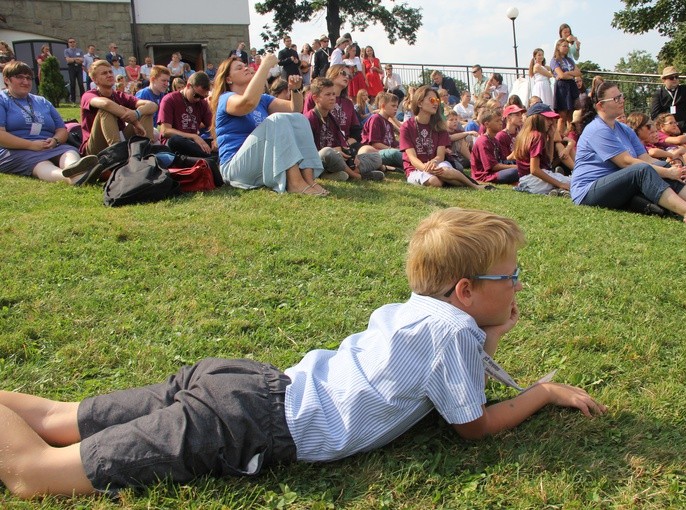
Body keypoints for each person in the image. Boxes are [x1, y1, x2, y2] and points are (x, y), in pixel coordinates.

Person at [0, 206, 607, 499]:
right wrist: (543, 392)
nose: (520, 284)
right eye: (512, 275)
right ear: (467, 291)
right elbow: (474, 426)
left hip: (245, 387)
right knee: (35, 475)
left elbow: (454, 357)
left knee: (56, 417)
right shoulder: (452, 333)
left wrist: (489, 333)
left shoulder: (428, 314)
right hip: (248, 424)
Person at [570, 81, 686, 227]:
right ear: (600, 106)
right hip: (588, 191)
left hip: (616, 185)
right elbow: (626, 163)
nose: (621, 101)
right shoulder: (597, 129)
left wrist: (670, 168)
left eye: (621, 96)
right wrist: (668, 172)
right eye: (616, 99)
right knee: (644, 170)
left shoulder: (624, 129)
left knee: (662, 165)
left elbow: (645, 158)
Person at [209, 55, 328, 195]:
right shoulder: (226, 98)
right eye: (239, 68)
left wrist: (295, 90)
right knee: (277, 119)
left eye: (245, 66)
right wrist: (265, 66)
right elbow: (247, 103)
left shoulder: (262, 100)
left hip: (261, 163)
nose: (246, 68)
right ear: (228, 79)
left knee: (299, 119)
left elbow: (294, 109)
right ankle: (294, 183)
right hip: (235, 169)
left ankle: (308, 180)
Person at [0, 61, 101, 185]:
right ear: (6, 79)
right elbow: (1, 136)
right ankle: (74, 178)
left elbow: (61, 129)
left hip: (48, 145)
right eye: (19, 77)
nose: (25, 82)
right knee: (40, 163)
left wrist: (55, 141)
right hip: (15, 149)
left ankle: (75, 167)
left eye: (28, 78)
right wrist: (31, 145)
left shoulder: (42, 101)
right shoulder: (2, 100)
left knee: (68, 151)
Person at [400, 86, 489, 190]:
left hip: (437, 163)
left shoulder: (439, 126)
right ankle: (458, 181)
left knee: (445, 170)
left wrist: (432, 164)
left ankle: (474, 186)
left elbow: (440, 156)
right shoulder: (407, 127)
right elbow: (412, 159)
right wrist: (426, 168)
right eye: (432, 100)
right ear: (419, 103)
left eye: (437, 100)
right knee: (435, 181)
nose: (436, 103)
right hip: (415, 169)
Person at [305, 78, 384, 182]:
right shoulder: (309, 118)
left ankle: (337, 174)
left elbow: (339, 144)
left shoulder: (332, 118)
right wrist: (335, 152)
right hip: (318, 160)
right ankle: (356, 176)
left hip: (337, 161)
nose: (333, 98)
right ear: (316, 98)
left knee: (376, 157)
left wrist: (350, 155)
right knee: (327, 152)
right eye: (328, 95)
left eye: (333, 94)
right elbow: (307, 151)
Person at [79, 60, 157, 156]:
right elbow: (106, 104)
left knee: (146, 112)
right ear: (95, 79)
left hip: (121, 137)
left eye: (110, 72)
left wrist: (136, 114)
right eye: (104, 73)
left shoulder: (119, 95)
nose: (109, 75)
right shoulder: (89, 95)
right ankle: (117, 155)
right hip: (95, 147)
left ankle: (145, 151)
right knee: (106, 110)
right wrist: (135, 121)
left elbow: (152, 105)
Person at [514, 103, 571, 196]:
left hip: (526, 181)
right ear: (537, 118)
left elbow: (549, 162)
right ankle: (558, 188)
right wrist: (560, 184)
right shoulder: (537, 136)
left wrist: (551, 137)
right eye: (547, 119)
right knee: (575, 182)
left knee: (567, 181)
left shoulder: (525, 134)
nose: (551, 122)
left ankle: (557, 191)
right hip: (534, 181)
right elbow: (534, 170)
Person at [158, 71, 214, 159]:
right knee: (175, 140)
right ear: (188, 86)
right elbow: (165, 131)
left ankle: (209, 158)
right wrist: (193, 136)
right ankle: (210, 158)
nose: (198, 99)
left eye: (202, 97)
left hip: (193, 144)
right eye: (196, 95)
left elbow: (212, 125)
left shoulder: (202, 103)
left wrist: (216, 139)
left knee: (216, 142)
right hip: (175, 144)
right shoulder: (169, 99)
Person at [470, 109, 519, 185]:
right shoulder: (483, 142)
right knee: (515, 171)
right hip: (486, 175)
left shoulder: (494, 140)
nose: (500, 123)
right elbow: (493, 167)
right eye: (497, 121)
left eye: (500, 120)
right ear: (487, 124)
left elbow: (503, 160)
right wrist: (516, 167)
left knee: (523, 165)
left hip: (496, 171)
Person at [361, 91, 403, 169]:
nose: (396, 109)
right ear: (383, 106)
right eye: (393, 106)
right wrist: (394, 149)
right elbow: (375, 144)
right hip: (375, 153)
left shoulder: (389, 123)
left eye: (397, 106)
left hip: (388, 152)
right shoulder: (375, 119)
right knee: (395, 153)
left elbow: (392, 142)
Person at [550, 39, 581, 138]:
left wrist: (568, 73)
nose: (566, 48)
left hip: (571, 86)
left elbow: (578, 73)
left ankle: (571, 136)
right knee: (562, 115)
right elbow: (561, 75)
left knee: (571, 115)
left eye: (567, 46)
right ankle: (560, 138)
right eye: (564, 46)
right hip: (562, 88)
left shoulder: (570, 60)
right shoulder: (554, 60)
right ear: (558, 47)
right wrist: (570, 75)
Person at [64, 37, 85, 102]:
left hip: (79, 68)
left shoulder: (79, 50)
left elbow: (82, 60)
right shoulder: (66, 51)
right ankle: (73, 100)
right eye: (70, 42)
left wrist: (72, 59)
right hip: (71, 68)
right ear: (68, 43)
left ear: (75, 43)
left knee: (81, 83)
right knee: (72, 84)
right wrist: (76, 59)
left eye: (73, 42)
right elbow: (68, 60)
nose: (72, 43)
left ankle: (83, 99)